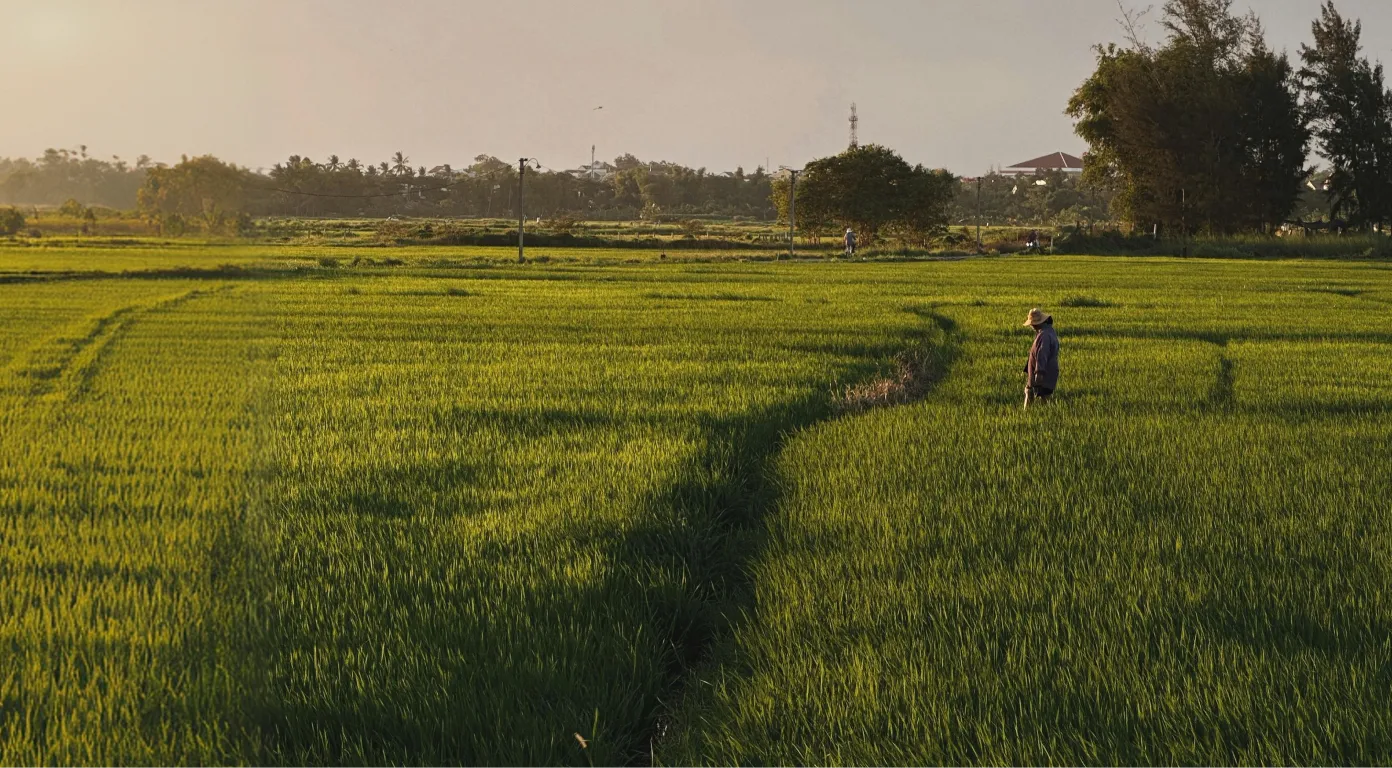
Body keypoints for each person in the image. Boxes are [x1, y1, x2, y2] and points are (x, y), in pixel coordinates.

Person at [1022, 308, 1059, 408]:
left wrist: (1039, 372)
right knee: (1043, 397)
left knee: (1032, 393)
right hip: (1048, 372)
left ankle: (1026, 416)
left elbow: (1042, 355)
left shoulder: (1044, 336)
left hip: (1043, 372)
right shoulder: (1048, 332)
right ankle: (1044, 417)